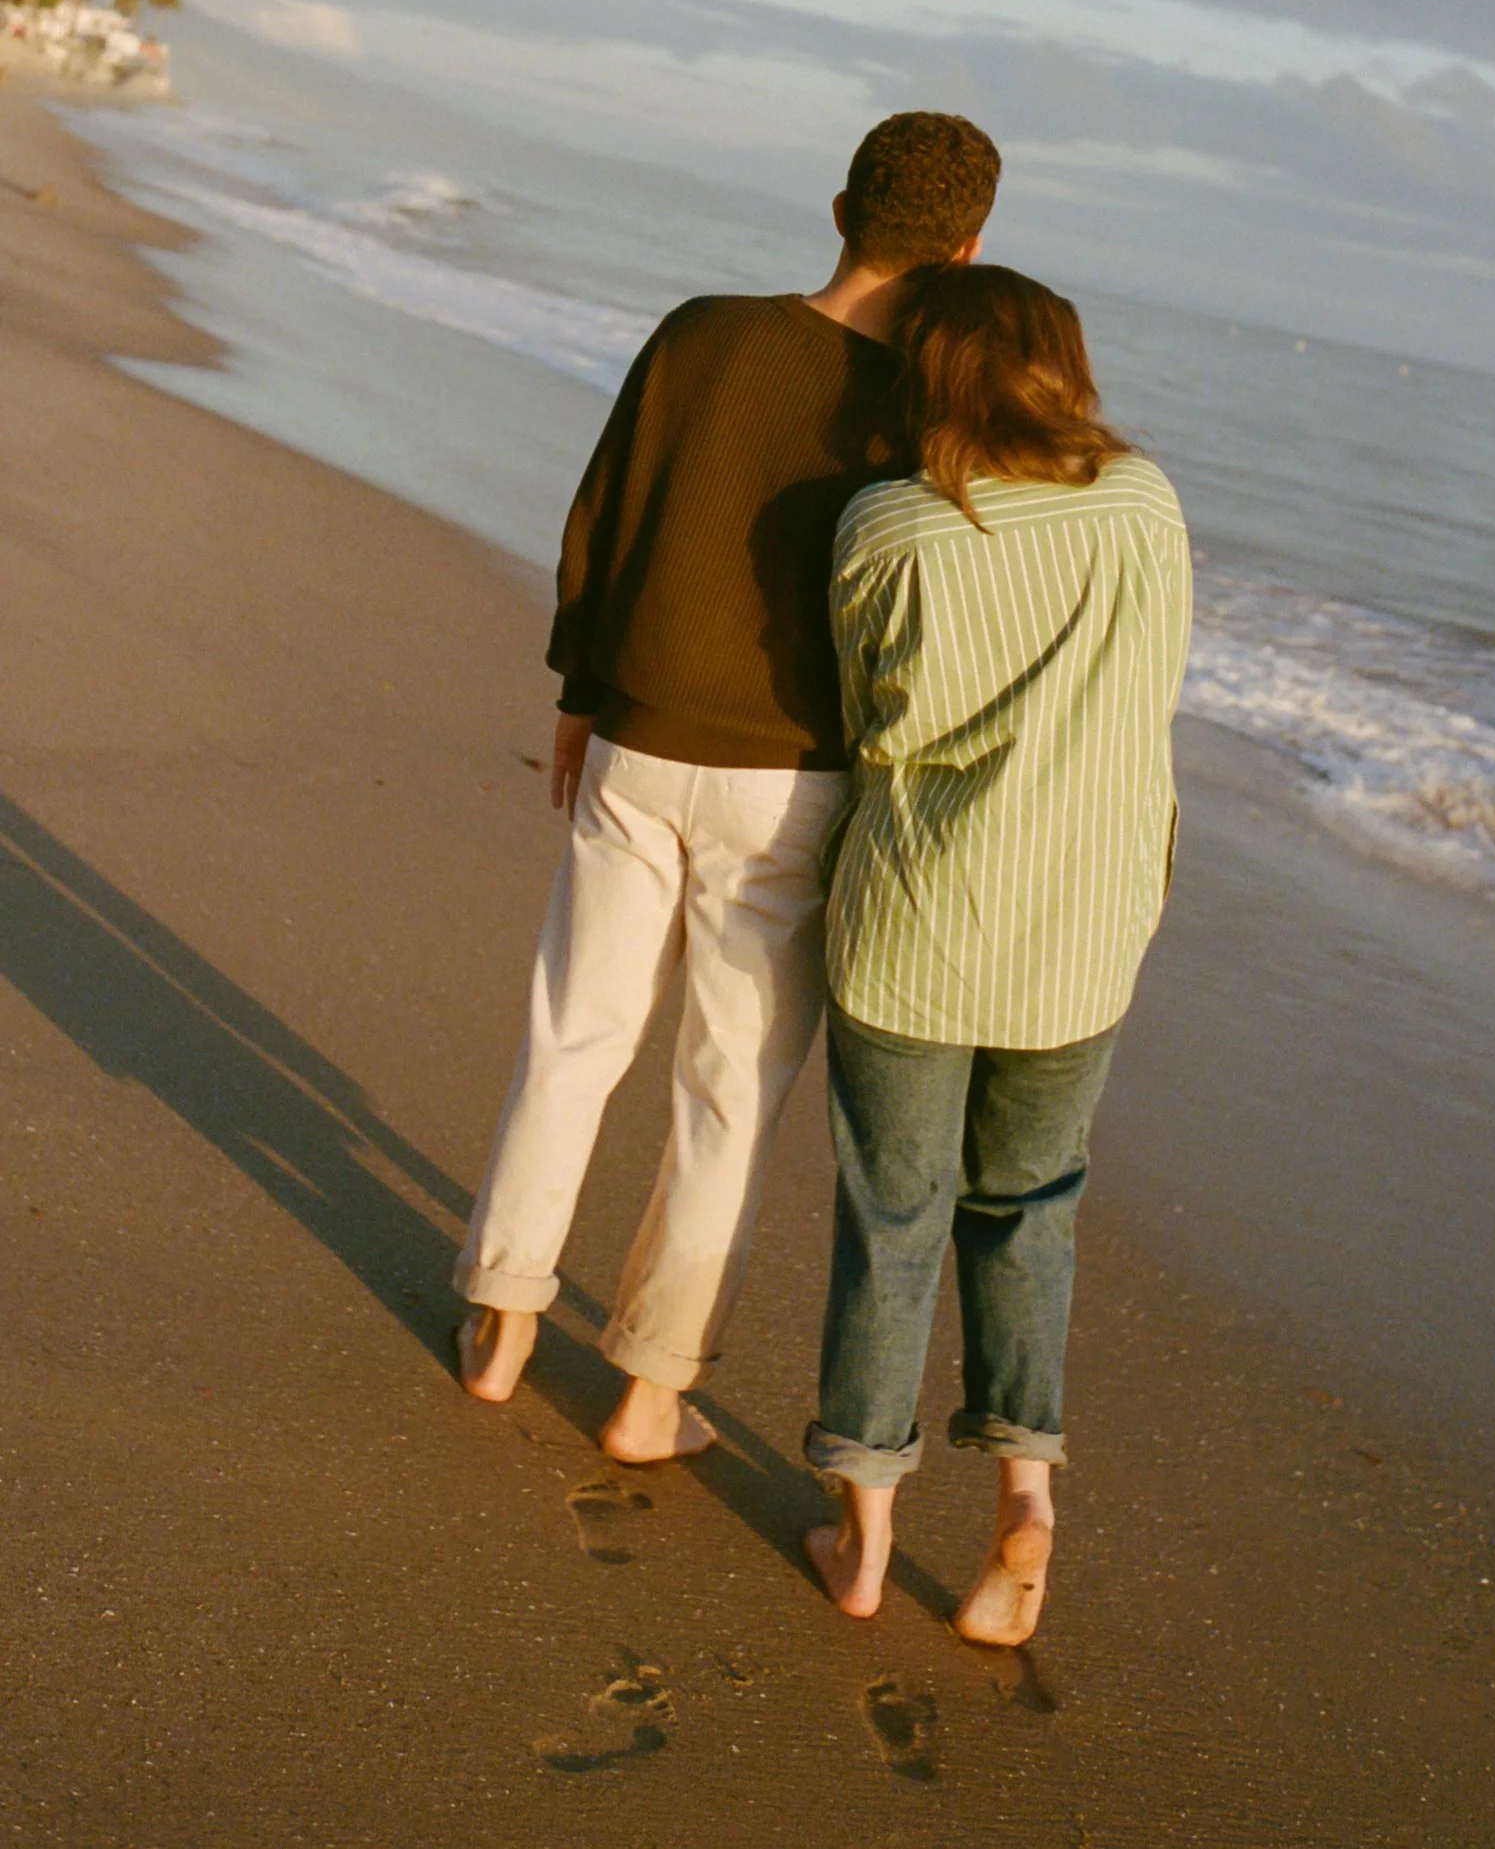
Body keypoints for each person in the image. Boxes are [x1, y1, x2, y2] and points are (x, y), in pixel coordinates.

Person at [453, 112, 1002, 1462]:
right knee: (728, 1090)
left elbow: (604, 514)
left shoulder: (702, 334)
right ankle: (649, 1390)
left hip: (639, 738)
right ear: (970, 248)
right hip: (798, 787)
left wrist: (580, 692)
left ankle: (503, 1322)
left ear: (837, 209)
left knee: (575, 1036)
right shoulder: (936, 411)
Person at [803, 264, 1192, 1639]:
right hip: (1083, 929)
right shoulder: (1142, 501)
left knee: (890, 1221)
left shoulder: (890, 525)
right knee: (1028, 1206)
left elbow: (875, 726)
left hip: (921, 921)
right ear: (1058, 370)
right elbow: (1156, 684)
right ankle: (1026, 1506)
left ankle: (863, 1531)